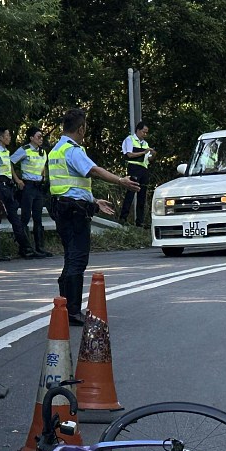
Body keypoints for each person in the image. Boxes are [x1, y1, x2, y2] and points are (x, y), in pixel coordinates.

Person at [48, 109, 139, 326]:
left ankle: (65, 305)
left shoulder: (56, 150)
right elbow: (94, 171)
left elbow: (69, 186)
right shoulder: (73, 150)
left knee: (70, 257)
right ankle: (72, 310)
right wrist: (120, 181)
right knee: (77, 259)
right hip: (73, 212)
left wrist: (94, 201)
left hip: (63, 209)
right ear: (81, 128)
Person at [0, 127, 33, 261]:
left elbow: (9, 168)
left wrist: (16, 179)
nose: (9, 137)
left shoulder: (5, 152)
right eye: (7, 134)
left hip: (8, 188)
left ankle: (26, 249)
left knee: (15, 219)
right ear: (1, 138)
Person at [11, 126, 53, 258]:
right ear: (31, 138)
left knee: (38, 218)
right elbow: (9, 162)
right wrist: (17, 180)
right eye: (38, 136)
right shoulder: (24, 150)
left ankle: (40, 248)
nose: (41, 139)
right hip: (27, 186)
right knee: (25, 217)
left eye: (42, 136)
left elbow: (43, 167)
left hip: (38, 187)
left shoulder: (43, 152)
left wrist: (44, 177)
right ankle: (25, 248)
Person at [117, 122, 153, 225]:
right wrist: (143, 152)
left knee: (142, 195)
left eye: (146, 133)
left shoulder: (145, 143)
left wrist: (153, 155)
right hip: (134, 168)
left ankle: (140, 221)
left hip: (144, 169)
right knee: (131, 192)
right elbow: (129, 154)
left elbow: (148, 159)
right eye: (143, 132)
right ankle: (123, 217)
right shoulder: (130, 139)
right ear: (137, 130)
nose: (145, 134)